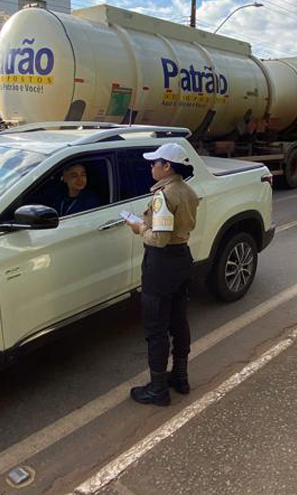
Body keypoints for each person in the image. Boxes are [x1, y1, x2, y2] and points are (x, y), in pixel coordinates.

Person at [123, 143, 199, 406]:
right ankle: (180, 377)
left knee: (156, 328)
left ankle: (157, 390)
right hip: (182, 260)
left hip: (161, 264)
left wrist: (139, 227)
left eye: (155, 162)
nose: (151, 166)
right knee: (179, 321)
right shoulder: (187, 190)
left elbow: (159, 239)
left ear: (167, 166)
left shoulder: (163, 196)